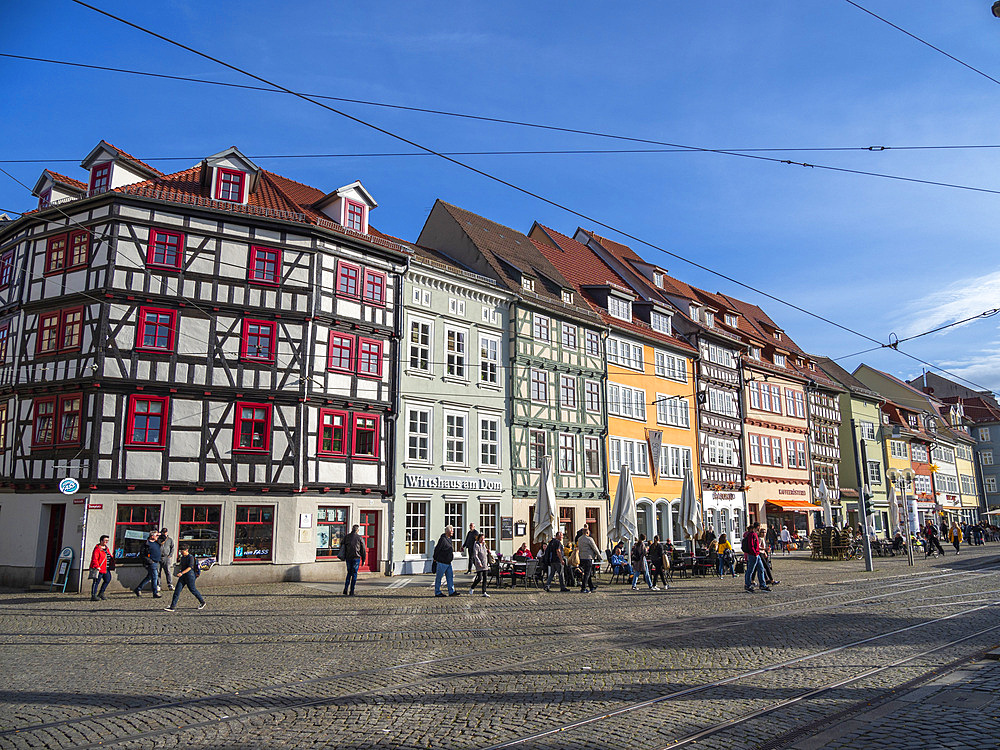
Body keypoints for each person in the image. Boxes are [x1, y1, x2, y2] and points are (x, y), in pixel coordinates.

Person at [163, 543, 207, 612]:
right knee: (177, 590)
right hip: (183, 576)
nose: (181, 552)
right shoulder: (182, 557)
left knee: (193, 589)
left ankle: (202, 602)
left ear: (186, 550)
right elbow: (181, 566)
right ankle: (172, 606)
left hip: (190, 575)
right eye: (180, 550)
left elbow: (190, 567)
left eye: (182, 550)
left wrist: (182, 573)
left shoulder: (190, 557)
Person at [133, 530, 162, 598]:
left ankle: (138, 589)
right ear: (152, 536)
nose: (157, 537)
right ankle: (155, 593)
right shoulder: (146, 544)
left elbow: (164, 537)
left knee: (150, 577)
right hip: (151, 562)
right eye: (156, 535)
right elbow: (142, 554)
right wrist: (149, 561)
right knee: (155, 576)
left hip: (156, 561)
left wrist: (159, 533)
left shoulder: (157, 542)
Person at [434, 525, 460, 597]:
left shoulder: (449, 539)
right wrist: (435, 559)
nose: (453, 532)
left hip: (448, 562)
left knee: (450, 577)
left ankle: (451, 591)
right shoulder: (442, 539)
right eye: (452, 530)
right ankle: (437, 592)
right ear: (448, 531)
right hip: (442, 562)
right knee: (439, 577)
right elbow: (437, 549)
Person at [743, 522, 769, 592]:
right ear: (757, 527)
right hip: (753, 555)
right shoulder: (751, 535)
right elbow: (751, 545)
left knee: (761, 569)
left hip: (756, 555)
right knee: (750, 570)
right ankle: (747, 585)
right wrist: (755, 553)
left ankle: (762, 585)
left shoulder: (755, 534)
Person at [342, 524, 366, 596]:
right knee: (354, 574)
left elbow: (342, 545)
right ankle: (352, 591)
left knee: (349, 573)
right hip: (356, 558)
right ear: (357, 530)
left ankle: (345, 589)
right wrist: (363, 559)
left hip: (348, 557)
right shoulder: (360, 538)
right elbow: (363, 549)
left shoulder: (347, 537)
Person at [576, 525, 601, 593]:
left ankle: (591, 586)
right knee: (587, 573)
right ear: (587, 532)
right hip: (588, 557)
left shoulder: (579, 539)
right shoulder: (589, 539)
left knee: (588, 572)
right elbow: (594, 548)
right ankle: (583, 588)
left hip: (582, 557)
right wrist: (599, 556)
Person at [89, 535, 113, 601]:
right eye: (105, 540)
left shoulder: (106, 548)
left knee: (108, 579)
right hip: (99, 568)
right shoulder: (97, 549)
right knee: (96, 581)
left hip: (106, 568)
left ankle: (101, 593)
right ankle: (93, 595)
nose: (106, 542)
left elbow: (108, 556)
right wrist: (97, 566)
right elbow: (94, 558)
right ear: (101, 541)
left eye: (107, 541)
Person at [469, 533, 490, 598]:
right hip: (479, 564)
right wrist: (479, 562)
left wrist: (488, 552)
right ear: (479, 538)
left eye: (483, 538)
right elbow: (475, 555)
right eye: (481, 538)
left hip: (485, 563)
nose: (483, 539)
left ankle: (484, 592)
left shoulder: (484, 544)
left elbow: (486, 553)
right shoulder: (476, 544)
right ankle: (472, 587)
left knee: (485, 578)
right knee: (479, 578)